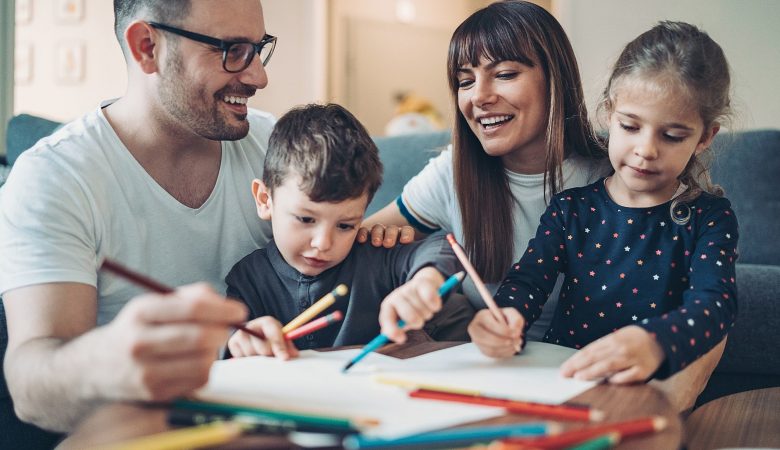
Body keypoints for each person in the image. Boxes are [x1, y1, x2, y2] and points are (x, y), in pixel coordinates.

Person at [0, 0, 276, 431]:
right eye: (232, 50)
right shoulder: (55, 177)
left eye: (259, 48)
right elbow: (30, 391)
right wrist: (110, 360)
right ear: (148, 46)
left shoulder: (276, 146)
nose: (259, 75)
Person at [468, 21, 737, 411]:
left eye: (673, 136)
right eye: (630, 126)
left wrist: (655, 343)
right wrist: (503, 317)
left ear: (705, 136)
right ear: (609, 115)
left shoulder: (709, 217)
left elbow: (715, 305)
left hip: (649, 394)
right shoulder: (570, 208)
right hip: (564, 383)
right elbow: (528, 282)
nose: (646, 150)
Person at [361, 1, 606, 345]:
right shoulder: (453, 171)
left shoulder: (611, 176)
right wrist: (419, 273)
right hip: (483, 362)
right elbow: (349, 240)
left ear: (556, 79)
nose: (479, 97)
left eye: (505, 74)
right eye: (465, 81)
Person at [225, 103, 471, 359]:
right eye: (306, 219)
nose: (323, 243)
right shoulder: (247, 280)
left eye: (345, 225)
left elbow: (441, 247)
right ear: (265, 199)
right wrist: (242, 340)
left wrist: (426, 279)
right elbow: (226, 341)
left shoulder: (376, 256)